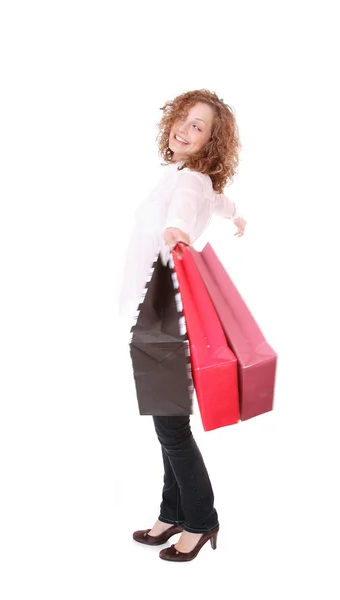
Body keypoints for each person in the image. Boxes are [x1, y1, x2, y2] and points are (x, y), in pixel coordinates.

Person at [119, 89, 246, 562]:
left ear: (211, 142)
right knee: (166, 418)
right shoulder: (192, 179)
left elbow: (183, 215)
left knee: (171, 426)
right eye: (183, 119)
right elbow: (219, 202)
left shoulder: (189, 181)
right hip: (162, 308)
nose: (185, 129)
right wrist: (239, 216)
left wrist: (177, 230)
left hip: (167, 309)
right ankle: (172, 512)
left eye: (199, 126)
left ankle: (201, 519)